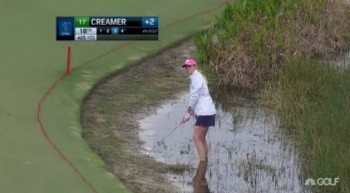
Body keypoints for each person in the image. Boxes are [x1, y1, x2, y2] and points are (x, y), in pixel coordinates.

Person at [181, 58, 216, 162]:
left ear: (194, 66)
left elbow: (194, 96)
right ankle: (205, 160)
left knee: (196, 137)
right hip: (208, 112)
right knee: (202, 138)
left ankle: (202, 162)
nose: (187, 69)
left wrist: (188, 110)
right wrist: (188, 116)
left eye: (189, 66)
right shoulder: (195, 77)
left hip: (205, 113)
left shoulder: (196, 78)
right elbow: (196, 99)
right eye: (186, 67)